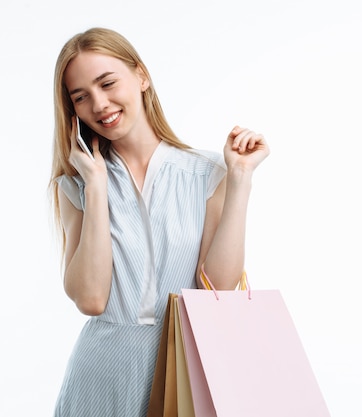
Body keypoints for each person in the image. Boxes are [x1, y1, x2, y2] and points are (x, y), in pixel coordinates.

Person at [49, 27, 269, 416]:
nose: (99, 104)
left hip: (182, 376)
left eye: (107, 83)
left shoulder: (208, 173)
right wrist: (97, 186)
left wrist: (239, 180)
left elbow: (217, 289)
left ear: (142, 76)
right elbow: (91, 298)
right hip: (99, 381)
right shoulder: (76, 186)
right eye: (81, 97)